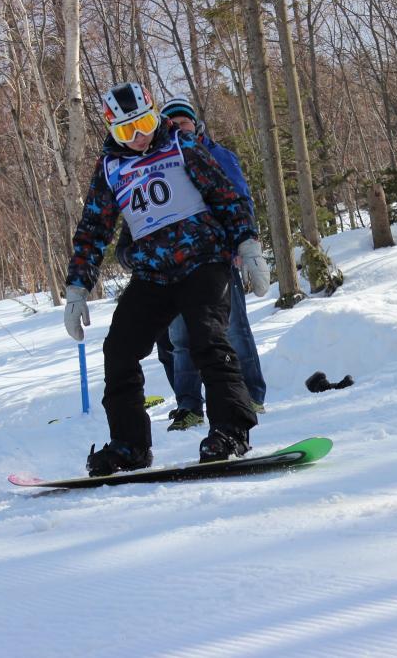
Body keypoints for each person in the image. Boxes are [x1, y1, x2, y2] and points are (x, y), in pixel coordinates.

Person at [63, 82, 270, 476]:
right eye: (126, 131)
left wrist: (249, 247)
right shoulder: (110, 169)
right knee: (119, 351)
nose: (139, 137)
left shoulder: (182, 146)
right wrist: (77, 288)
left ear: (154, 114)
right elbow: (93, 229)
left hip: (203, 261)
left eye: (142, 123)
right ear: (111, 131)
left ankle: (230, 430)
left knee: (207, 338)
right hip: (153, 274)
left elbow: (228, 197)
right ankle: (130, 445)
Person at [116, 94, 267, 431]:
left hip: (218, 258)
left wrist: (246, 242)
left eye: (183, 123)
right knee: (179, 340)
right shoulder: (152, 163)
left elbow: (237, 199)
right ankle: (189, 405)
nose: (177, 128)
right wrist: (131, 254)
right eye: (172, 123)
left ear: (194, 125)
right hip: (168, 270)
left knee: (231, 331)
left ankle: (250, 393)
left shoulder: (216, 156)